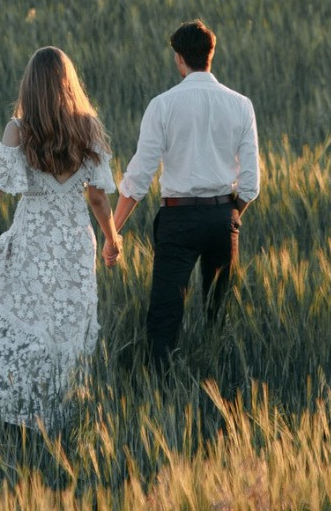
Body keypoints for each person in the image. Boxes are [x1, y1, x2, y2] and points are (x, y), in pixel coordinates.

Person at [0, 46, 121, 429]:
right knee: (68, 328)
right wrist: (112, 239)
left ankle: (22, 408)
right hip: (75, 243)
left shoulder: (19, 129)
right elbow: (97, 197)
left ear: (30, 85)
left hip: (33, 241)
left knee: (28, 322)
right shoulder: (88, 126)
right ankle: (62, 415)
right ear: (69, 83)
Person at [109, 20, 259, 364]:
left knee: (165, 316)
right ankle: (221, 382)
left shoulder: (162, 105)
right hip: (223, 215)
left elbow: (138, 178)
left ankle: (161, 390)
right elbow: (251, 183)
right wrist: (230, 215)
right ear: (211, 54)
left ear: (179, 58)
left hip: (177, 217)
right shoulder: (241, 105)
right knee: (219, 316)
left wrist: (113, 231)